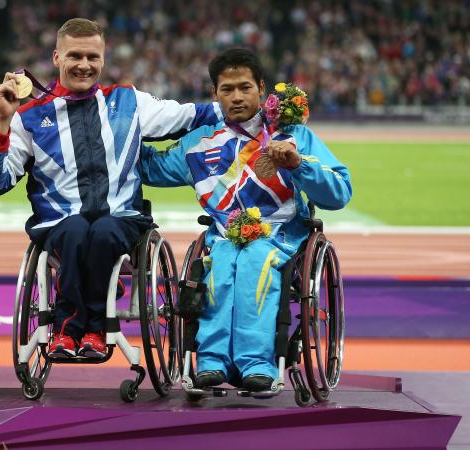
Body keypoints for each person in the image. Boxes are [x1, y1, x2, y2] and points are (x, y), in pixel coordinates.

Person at [0, 18, 223, 359]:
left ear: (103, 60)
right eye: (74, 55)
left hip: (121, 218)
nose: (84, 65)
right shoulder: (29, 117)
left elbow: (190, 115)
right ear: (56, 58)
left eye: (93, 57)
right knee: (77, 230)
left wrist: (257, 113)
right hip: (61, 222)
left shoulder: (127, 102)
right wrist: (2, 121)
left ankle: (92, 329)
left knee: (104, 230)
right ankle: (71, 329)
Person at [138, 48, 352, 391]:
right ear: (214, 94)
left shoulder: (292, 136)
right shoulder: (198, 144)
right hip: (222, 236)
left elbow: (340, 192)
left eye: (245, 87)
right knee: (220, 262)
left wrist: (299, 165)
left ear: (262, 89)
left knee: (256, 258)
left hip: (282, 236)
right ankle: (211, 362)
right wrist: (115, 126)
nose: (236, 97)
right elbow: (149, 167)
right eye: (227, 89)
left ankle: (257, 364)